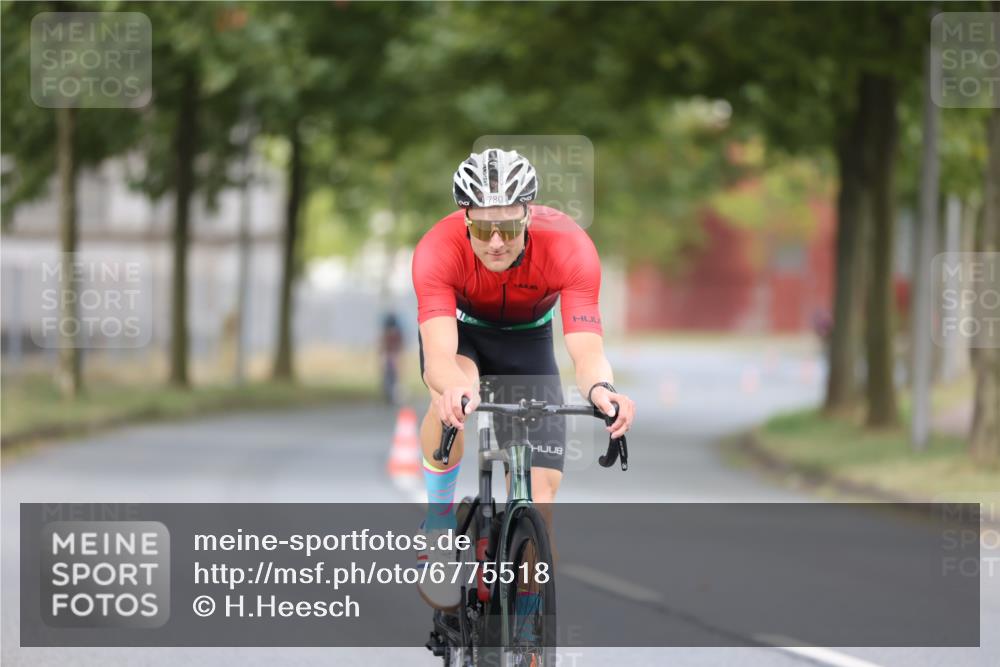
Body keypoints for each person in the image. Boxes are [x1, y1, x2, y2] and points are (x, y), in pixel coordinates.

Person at [411, 148, 636, 610]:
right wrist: (453, 389)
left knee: (542, 498)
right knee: (452, 396)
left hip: (528, 342)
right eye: (482, 228)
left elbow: (587, 351)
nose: (496, 241)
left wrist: (602, 391)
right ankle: (438, 526)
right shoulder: (437, 249)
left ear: (529, 217)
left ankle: (529, 640)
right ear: (465, 218)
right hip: (463, 337)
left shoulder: (570, 247)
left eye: (509, 227)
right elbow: (438, 357)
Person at [379, 313, 404, 405]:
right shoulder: (394, 334)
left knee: (391, 378)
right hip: (391, 356)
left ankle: (390, 396)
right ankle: (389, 396)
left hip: (391, 356)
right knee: (390, 378)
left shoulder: (392, 334)